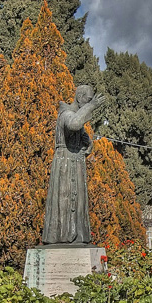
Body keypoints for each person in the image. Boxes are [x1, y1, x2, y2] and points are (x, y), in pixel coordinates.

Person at [42, 85, 106, 245]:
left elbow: (80, 133)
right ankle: (61, 237)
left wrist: (88, 143)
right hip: (64, 162)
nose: (90, 103)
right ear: (80, 97)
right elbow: (74, 124)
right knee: (64, 199)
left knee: (77, 202)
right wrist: (91, 107)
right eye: (88, 100)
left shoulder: (74, 114)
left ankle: (78, 236)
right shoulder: (66, 114)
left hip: (75, 162)